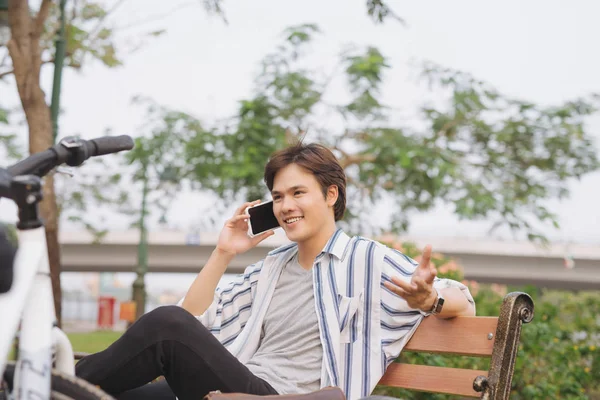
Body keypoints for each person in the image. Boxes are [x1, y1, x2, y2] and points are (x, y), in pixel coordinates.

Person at [75, 142, 475, 400]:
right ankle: (58, 384)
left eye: (298, 193)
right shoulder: (271, 268)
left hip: (278, 398)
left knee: (165, 324)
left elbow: (464, 300)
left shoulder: (365, 259)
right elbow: (198, 317)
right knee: (112, 394)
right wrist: (222, 252)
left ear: (330, 195)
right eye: (278, 197)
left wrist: (430, 298)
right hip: (238, 387)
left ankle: (49, 380)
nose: (286, 206)